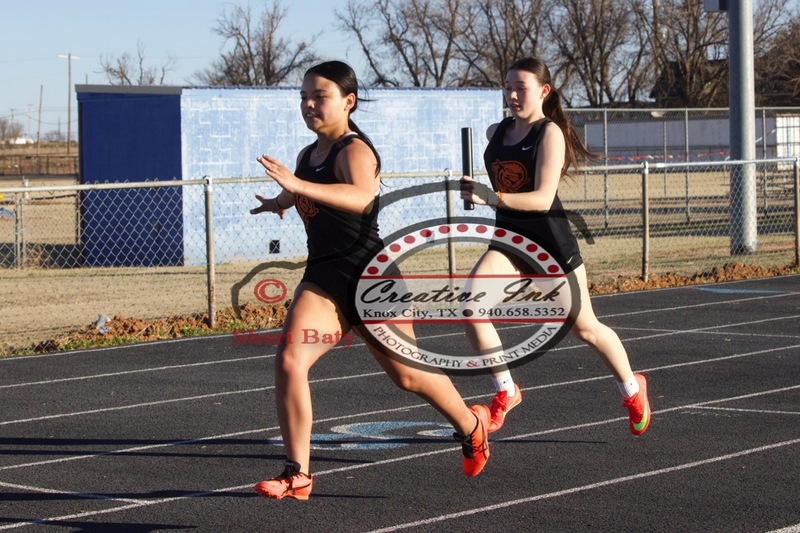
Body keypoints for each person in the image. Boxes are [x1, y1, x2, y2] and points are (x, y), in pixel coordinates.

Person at [249, 61, 490, 501]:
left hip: (372, 280)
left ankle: (471, 425)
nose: (308, 104)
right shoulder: (309, 155)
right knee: (289, 362)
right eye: (303, 96)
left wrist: (297, 184)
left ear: (348, 101)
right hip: (323, 278)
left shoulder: (354, 150)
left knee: (410, 377)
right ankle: (297, 472)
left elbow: (360, 197)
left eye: (319, 96)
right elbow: (306, 188)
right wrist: (280, 200)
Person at [459, 57, 650, 436]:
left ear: (544, 91)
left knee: (586, 329)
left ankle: (632, 389)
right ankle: (506, 390)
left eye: (521, 88)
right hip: (510, 242)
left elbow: (543, 199)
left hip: (549, 245)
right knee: (470, 305)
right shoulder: (494, 131)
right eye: (508, 87)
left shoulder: (550, 134)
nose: (512, 95)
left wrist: (491, 197)